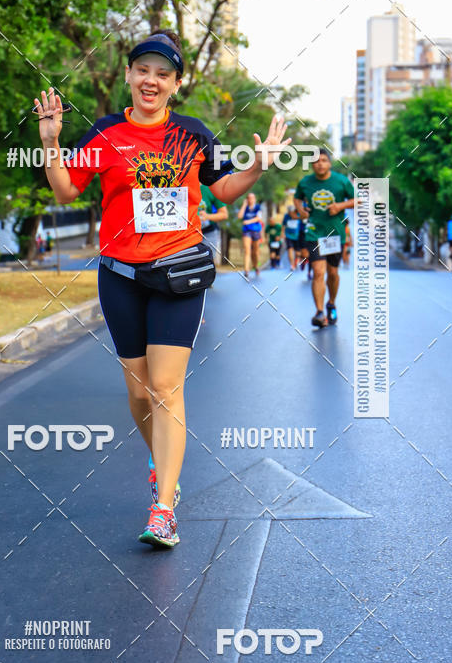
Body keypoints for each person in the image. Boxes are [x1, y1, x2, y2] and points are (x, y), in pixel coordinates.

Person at [36, 29, 291, 549]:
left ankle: (164, 508)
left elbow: (225, 189)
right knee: (138, 391)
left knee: (166, 387)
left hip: (178, 273)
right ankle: (161, 463)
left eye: (163, 74)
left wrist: (258, 164)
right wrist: (51, 143)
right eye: (143, 70)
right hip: (121, 276)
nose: (151, 81)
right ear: (130, 76)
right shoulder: (105, 133)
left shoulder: (194, 134)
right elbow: (64, 190)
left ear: (176, 84)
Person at [294, 148, 355, 327]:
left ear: (329, 163)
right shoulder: (305, 182)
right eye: (316, 161)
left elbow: (357, 200)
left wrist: (340, 206)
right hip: (314, 232)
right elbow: (297, 198)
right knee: (318, 272)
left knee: (333, 273)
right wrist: (300, 210)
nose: (320, 164)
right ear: (312, 165)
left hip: (335, 234)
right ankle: (319, 312)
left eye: (323, 160)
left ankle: (331, 303)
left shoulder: (341, 181)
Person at [198, 183, 228, 266]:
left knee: (206, 263)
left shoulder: (211, 188)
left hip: (208, 232)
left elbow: (224, 214)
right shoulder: (181, 186)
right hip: (187, 234)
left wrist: (207, 216)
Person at [237, 192, 264, 278]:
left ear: (255, 199)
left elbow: (259, 218)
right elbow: (239, 216)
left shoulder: (257, 207)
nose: (251, 200)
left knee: (255, 252)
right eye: (249, 198)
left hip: (256, 230)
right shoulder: (245, 208)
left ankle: (256, 266)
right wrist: (244, 205)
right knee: (247, 250)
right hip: (246, 231)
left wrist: (248, 221)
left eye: (252, 198)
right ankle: (246, 270)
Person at [282, 205, 302, 271]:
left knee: (298, 253)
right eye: (289, 212)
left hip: (297, 236)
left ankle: (296, 261)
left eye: (292, 212)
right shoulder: (286, 216)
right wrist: (283, 233)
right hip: (288, 235)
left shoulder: (299, 215)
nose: (290, 213)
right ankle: (292, 265)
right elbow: (283, 225)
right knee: (290, 249)